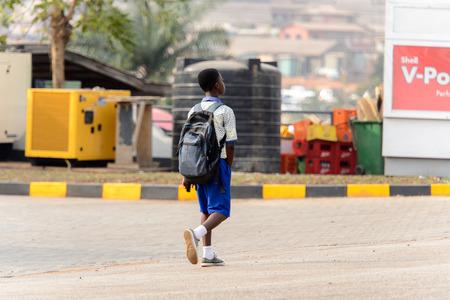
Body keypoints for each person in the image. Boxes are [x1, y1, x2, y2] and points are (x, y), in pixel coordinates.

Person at [183, 68, 237, 267]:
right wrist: (228, 167)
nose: (223, 83)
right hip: (218, 165)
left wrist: (186, 174)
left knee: (206, 209)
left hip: (197, 166)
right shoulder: (225, 111)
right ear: (216, 85)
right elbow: (231, 143)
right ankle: (196, 234)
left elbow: (188, 143)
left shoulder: (193, 110)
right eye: (222, 80)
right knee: (222, 210)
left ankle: (208, 253)